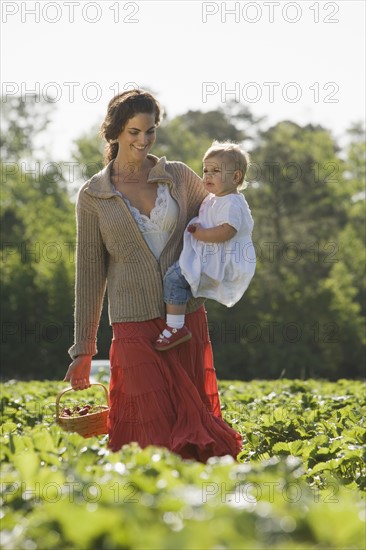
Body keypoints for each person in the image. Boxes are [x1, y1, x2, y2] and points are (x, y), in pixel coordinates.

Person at [63, 89, 242, 462]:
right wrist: (83, 349)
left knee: (190, 428)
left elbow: (222, 214)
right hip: (132, 323)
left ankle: (195, 510)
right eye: (134, 132)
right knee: (146, 429)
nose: (143, 141)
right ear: (114, 133)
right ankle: (144, 507)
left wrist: (221, 271)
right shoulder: (94, 196)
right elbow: (90, 274)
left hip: (184, 318)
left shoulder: (178, 177)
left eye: (150, 131)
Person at [155, 141, 256, 351]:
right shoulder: (216, 198)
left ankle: (176, 327)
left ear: (236, 177)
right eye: (205, 170)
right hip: (209, 255)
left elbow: (228, 230)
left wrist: (201, 234)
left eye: (216, 171)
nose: (207, 175)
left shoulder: (231, 202)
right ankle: (177, 320)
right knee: (179, 276)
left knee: (174, 277)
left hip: (220, 259)